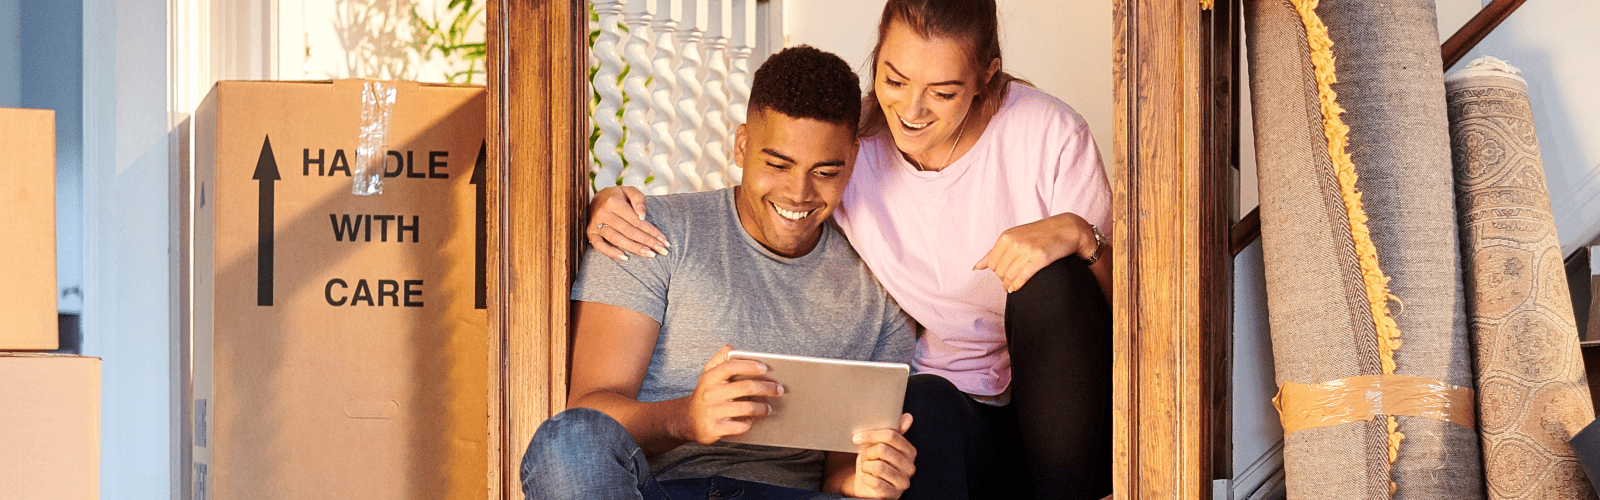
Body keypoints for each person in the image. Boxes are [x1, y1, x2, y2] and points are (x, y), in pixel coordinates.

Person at [585, 0, 1113, 498]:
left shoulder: (1050, 135)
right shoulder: (854, 146)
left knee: (1051, 281)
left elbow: (1124, 320)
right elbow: (774, 190)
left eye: (944, 92)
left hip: (1061, 409)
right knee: (917, 406)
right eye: (894, 79)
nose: (912, 110)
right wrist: (607, 202)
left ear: (986, 77)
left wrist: (1081, 237)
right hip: (951, 409)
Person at [521, 45, 920, 500]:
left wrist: (866, 478)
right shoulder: (646, 232)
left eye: (826, 171)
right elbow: (591, 412)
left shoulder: (882, 284)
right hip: (660, 490)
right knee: (567, 440)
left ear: (853, 157)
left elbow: (840, 473)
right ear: (742, 145)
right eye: (778, 164)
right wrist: (686, 418)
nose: (799, 193)